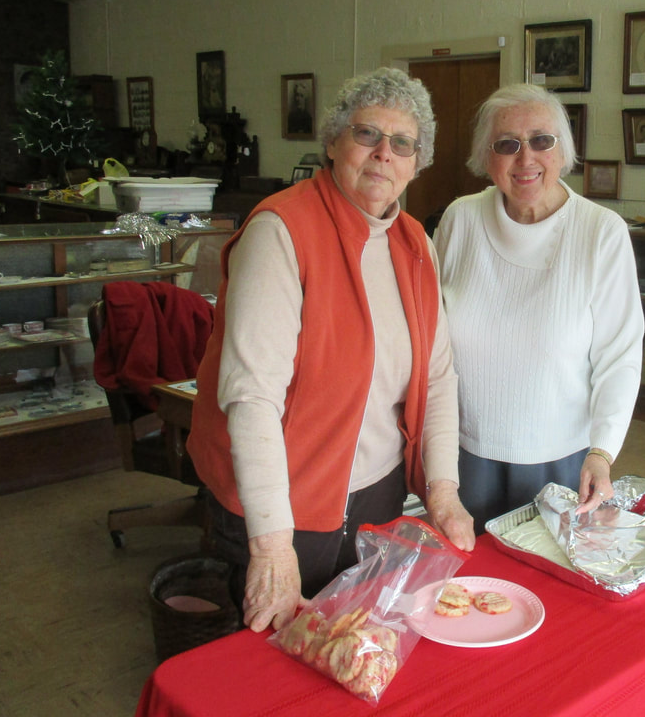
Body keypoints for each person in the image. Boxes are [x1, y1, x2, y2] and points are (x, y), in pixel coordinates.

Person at [188, 67, 475, 634]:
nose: (383, 155)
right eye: (367, 135)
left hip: (377, 496)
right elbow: (251, 396)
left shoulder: (415, 242)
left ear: (418, 161)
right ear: (333, 142)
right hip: (282, 504)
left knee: (359, 646)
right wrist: (272, 547)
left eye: (402, 144)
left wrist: (443, 492)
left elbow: (438, 377)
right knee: (272, 665)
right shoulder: (282, 230)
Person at [433, 83, 644, 533]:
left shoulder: (601, 232)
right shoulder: (459, 220)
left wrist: (602, 452)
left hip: (562, 459)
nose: (525, 158)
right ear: (486, 159)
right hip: (464, 453)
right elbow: (429, 337)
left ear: (563, 152)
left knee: (551, 588)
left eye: (541, 141)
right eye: (506, 145)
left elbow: (620, 357)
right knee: (472, 591)